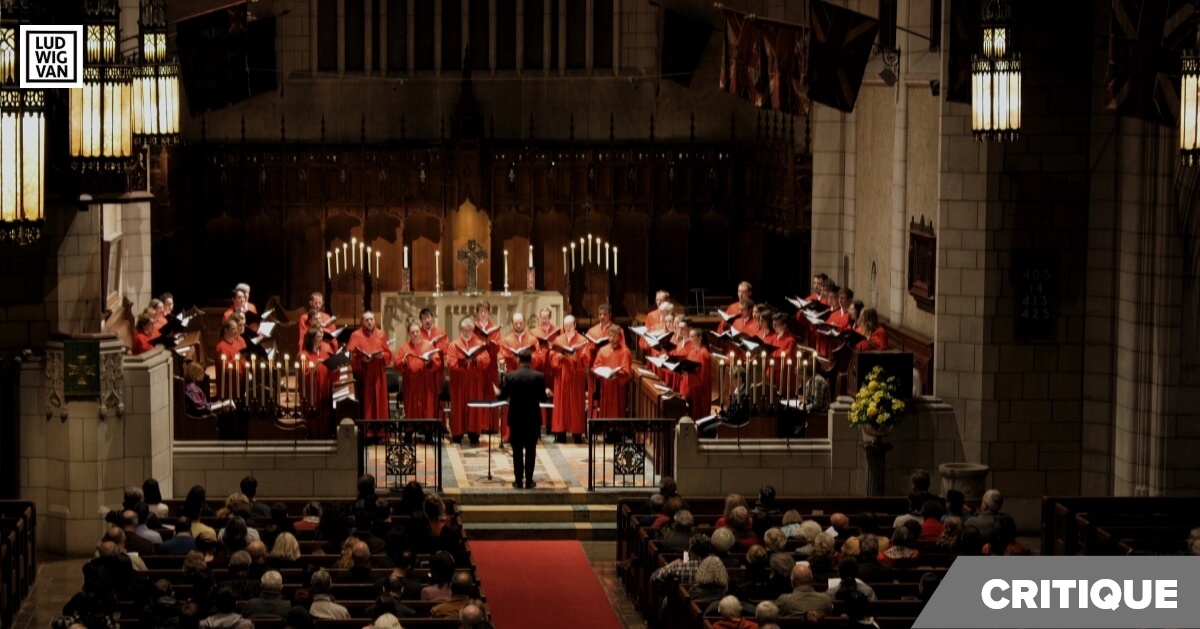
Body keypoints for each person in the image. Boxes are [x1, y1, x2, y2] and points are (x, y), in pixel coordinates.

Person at [495, 350, 547, 489]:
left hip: (516, 418)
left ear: (518, 360)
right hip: (533, 419)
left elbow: (502, 397)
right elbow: (543, 398)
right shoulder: (539, 376)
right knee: (531, 450)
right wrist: (546, 392)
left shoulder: (510, 376)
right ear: (531, 360)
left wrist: (497, 392)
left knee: (517, 450)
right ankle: (529, 481)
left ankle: (518, 481)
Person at [447, 316, 492, 445]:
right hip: (459, 381)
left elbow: (486, 360)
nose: (467, 333)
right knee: (458, 406)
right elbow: (451, 362)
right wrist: (463, 361)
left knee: (474, 407)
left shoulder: (479, 344)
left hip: (474, 380)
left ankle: (474, 433)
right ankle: (457, 434)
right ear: (460, 330)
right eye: (464, 330)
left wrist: (475, 360)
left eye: (470, 330)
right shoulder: (454, 344)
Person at [348, 311, 393, 428]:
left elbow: (388, 353)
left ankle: (381, 432)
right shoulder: (356, 335)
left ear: (375, 321)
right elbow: (349, 355)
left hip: (378, 374)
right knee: (365, 403)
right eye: (366, 320)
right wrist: (361, 358)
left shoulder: (381, 334)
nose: (369, 322)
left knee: (380, 401)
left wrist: (382, 355)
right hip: (363, 374)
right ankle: (366, 434)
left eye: (371, 319)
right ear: (362, 322)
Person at [549, 315, 588, 443]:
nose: (567, 328)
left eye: (570, 325)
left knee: (575, 404)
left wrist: (577, 359)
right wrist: (558, 357)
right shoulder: (558, 340)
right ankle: (560, 433)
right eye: (565, 326)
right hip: (562, 376)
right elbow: (552, 357)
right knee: (561, 404)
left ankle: (577, 433)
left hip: (576, 377)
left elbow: (586, 359)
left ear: (575, 325)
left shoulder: (582, 340)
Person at [395, 322, 443, 420]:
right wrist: (403, 362)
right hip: (410, 382)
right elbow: (396, 364)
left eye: (417, 331)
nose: (415, 334)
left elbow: (437, 362)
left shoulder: (428, 346)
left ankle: (427, 431)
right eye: (413, 332)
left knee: (427, 407)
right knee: (411, 407)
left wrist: (429, 362)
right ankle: (410, 430)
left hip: (426, 381)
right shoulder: (404, 347)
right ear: (409, 334)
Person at [298, 328, 333, 437]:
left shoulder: (324, 352)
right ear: (311, 339)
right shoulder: (303, 355)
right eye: (318, 337)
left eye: (321, 337)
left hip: (324, 390)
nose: (321, 339)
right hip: (312, 393)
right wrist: (315, 366)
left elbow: (330, 368)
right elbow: (304, 374)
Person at [591, 326, 632, 419]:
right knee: (605, 411)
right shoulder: (602, 350)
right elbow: (596, 366)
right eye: (610, 336)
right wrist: (601, 372)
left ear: (619, 337)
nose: (612, 339)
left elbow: (626, 369)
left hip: (618, 386)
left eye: (614, 336)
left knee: (617, 410)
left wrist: (617, 375)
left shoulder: (625, 351)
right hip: (605, 385)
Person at [214, 319, 247, 399]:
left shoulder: (236, 342)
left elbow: (243, 358)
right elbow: (224, 368)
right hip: (230, 385)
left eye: (236, 328)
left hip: (241, 380)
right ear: (226, 330)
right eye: (233, 329)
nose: (236, 331)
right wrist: (237, 359)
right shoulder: (221, 347)